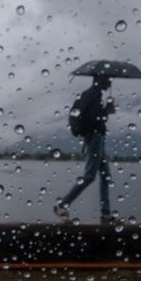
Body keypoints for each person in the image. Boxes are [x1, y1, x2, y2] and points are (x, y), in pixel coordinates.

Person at [54, 75, 117, 224]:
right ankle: (62, 205)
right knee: (89, 176)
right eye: (107, 79)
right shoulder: (93, 95)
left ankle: (105, 214)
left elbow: (93, 117)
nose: (110, 82)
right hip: (94, 139)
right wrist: (107, 111)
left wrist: (105, 111)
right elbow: (95, 118)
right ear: (99, 80)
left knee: (106, 176)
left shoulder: (93, 94)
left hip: (97, 139)